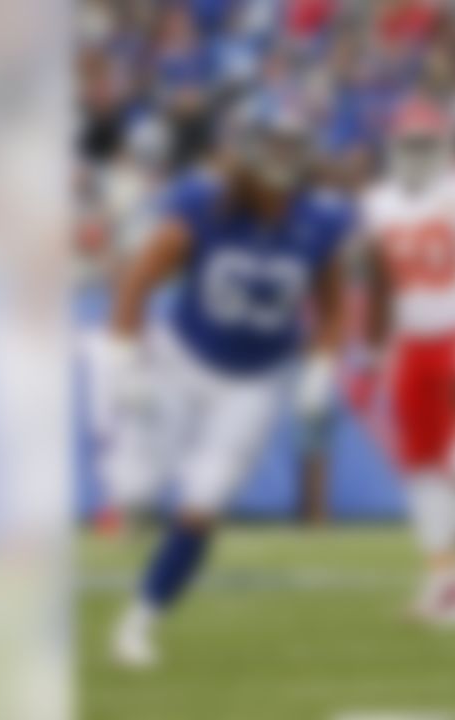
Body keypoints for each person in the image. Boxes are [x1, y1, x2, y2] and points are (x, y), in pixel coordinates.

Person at [99, 100, 354, 668]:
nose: (285, 159)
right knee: (137, 491)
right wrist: (121, 357)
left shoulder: (321, 218)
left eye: (295, 147)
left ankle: (139, 622)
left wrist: (320, 368)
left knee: (203, 504)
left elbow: (333, 307)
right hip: (180, 361)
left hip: (256, 381)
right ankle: (124, 482)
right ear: (249, 147)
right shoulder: (203, 204)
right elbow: (139, 278)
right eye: (276, 144)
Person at [357, 95, 455, 624]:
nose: (419, 153)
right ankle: (444, 578)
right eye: (411, 144)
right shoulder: (377, 202)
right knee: (421, 468)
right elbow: (380, 282)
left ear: (445, 146)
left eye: (428, 143)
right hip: (411, 345)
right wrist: (374, 347)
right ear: (394, 147)